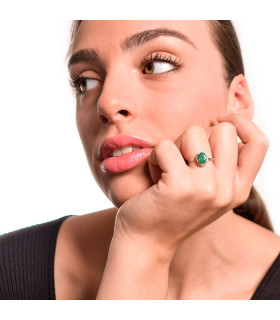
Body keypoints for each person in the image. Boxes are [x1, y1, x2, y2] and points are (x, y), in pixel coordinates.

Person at [0, 20, 279, 300]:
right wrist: (142, 245)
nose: (107, 102)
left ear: (238, 101)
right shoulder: (8, 271)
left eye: (155, 66)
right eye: (86, 81)